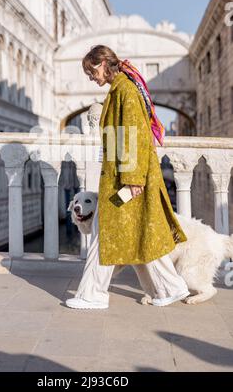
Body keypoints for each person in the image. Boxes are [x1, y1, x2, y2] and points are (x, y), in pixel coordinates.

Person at [65, 45, 190, 309]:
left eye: (91, 72)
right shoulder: (123, 87)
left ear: (101, 64)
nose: (91, 78)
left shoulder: (125, 90)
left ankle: (93, 294)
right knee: (137, 234)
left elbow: (132, 134)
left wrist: (132, 179)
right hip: (126, 178)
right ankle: (170, 288)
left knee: (106, 232)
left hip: (128, 180)